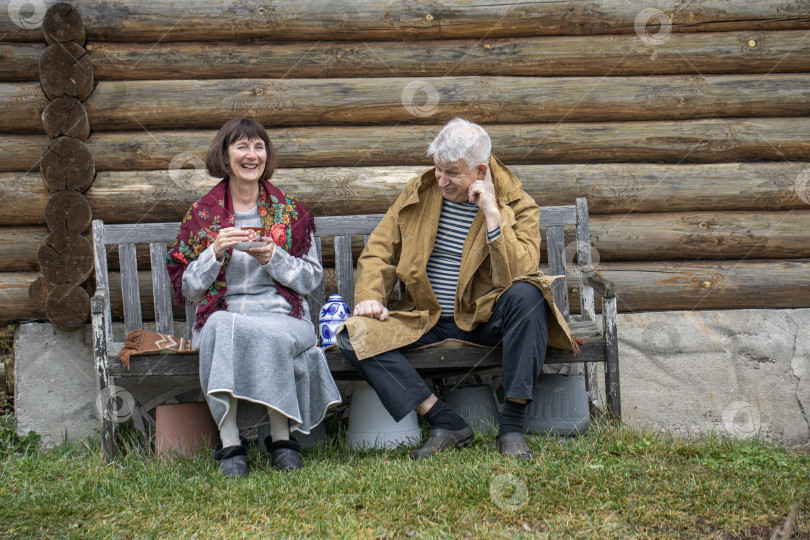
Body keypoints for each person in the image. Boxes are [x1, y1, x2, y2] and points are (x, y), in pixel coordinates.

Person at [338, 118, 577, 460]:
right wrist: (371, 298)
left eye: (451, 172)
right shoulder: (419, 193)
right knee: (353, 335)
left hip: (485, 320)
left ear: (480, 171)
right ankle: (444, 420)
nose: (440, 179)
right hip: (426, 319)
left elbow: (520, 273)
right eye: (437, 168)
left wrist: (492, 215)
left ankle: (511, 428)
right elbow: (379, 250)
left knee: (529, 295)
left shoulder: (518, 205)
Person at [167, 118, 341, 477]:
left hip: (284, 317)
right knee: (220, 326)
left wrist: (274, 258)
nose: (252, 155)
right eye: (242, 146)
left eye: (258, 146)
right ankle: (231, 441)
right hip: (226, 314)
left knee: (270, 332)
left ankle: (282, 438)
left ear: (266, 155)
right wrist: (214, 253)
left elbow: (311, 279)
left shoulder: (290, 213)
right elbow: (188, 288)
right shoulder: (203, 215)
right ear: (225, 156)